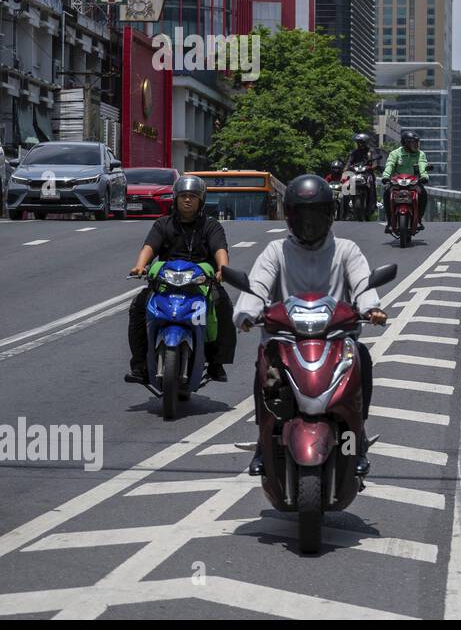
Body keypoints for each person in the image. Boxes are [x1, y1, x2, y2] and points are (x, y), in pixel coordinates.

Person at [234, 175, 388, 477]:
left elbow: (362, 282)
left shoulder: (346, 249)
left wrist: (371, 308)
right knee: (264, 367)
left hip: (337, 340)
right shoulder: (276, 251)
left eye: (316, 214)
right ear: (290, 216)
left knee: (362, 359)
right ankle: (263, 443)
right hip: (285, 340)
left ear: (329, 215)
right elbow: (257, 285)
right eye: (301, 215)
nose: (308, 223)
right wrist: (247, 314)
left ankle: (355, 440)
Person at [126, 175, 235, 383]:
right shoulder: (163, 224)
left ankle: (216, 362)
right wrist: (140, 266)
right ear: (175, 199)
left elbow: (220, 249)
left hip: (200, 284)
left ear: (200, 200)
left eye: (192, 196)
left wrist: (223, 269)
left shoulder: (211, 226)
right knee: (138, 306)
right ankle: (139, 364)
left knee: (222, 304)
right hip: (166, 283)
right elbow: (149, 247)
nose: (187, 200)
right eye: (183, 196)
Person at [382, 130, 430, 230]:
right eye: (413, 142)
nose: (416, 145)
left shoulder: (420, 154)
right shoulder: (395, 153)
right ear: (406, 143)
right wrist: (386, 176)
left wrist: (424, 176)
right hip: (397, 181)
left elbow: (422, 165)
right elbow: (389, 165)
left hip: (414, 182)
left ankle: (419, 220)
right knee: (387, 194)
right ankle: (390, 222)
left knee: (423, 195)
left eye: (417, 142)